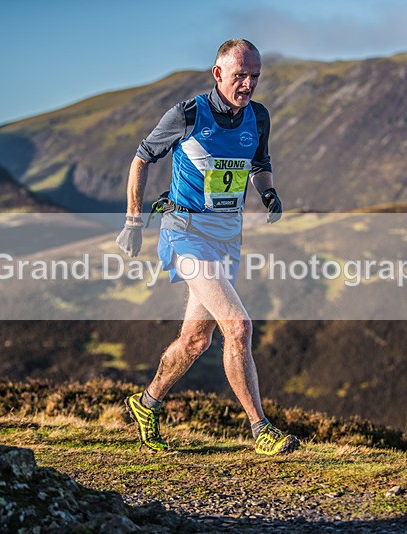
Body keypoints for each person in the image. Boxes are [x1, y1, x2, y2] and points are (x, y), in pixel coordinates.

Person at [115, 39, 299, 456]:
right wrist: (132, 219)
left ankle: (146, 404)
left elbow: (259, 163)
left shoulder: (259, 117)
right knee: (239, 327)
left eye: (255, 76)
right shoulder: (188, 114)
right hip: (186, 234)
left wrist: (268, 194)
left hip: (226, 239)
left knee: (196, 341)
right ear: (218, 74)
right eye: (240, 76)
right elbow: (142, 158)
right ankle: (261, 430)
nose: (248, 84)